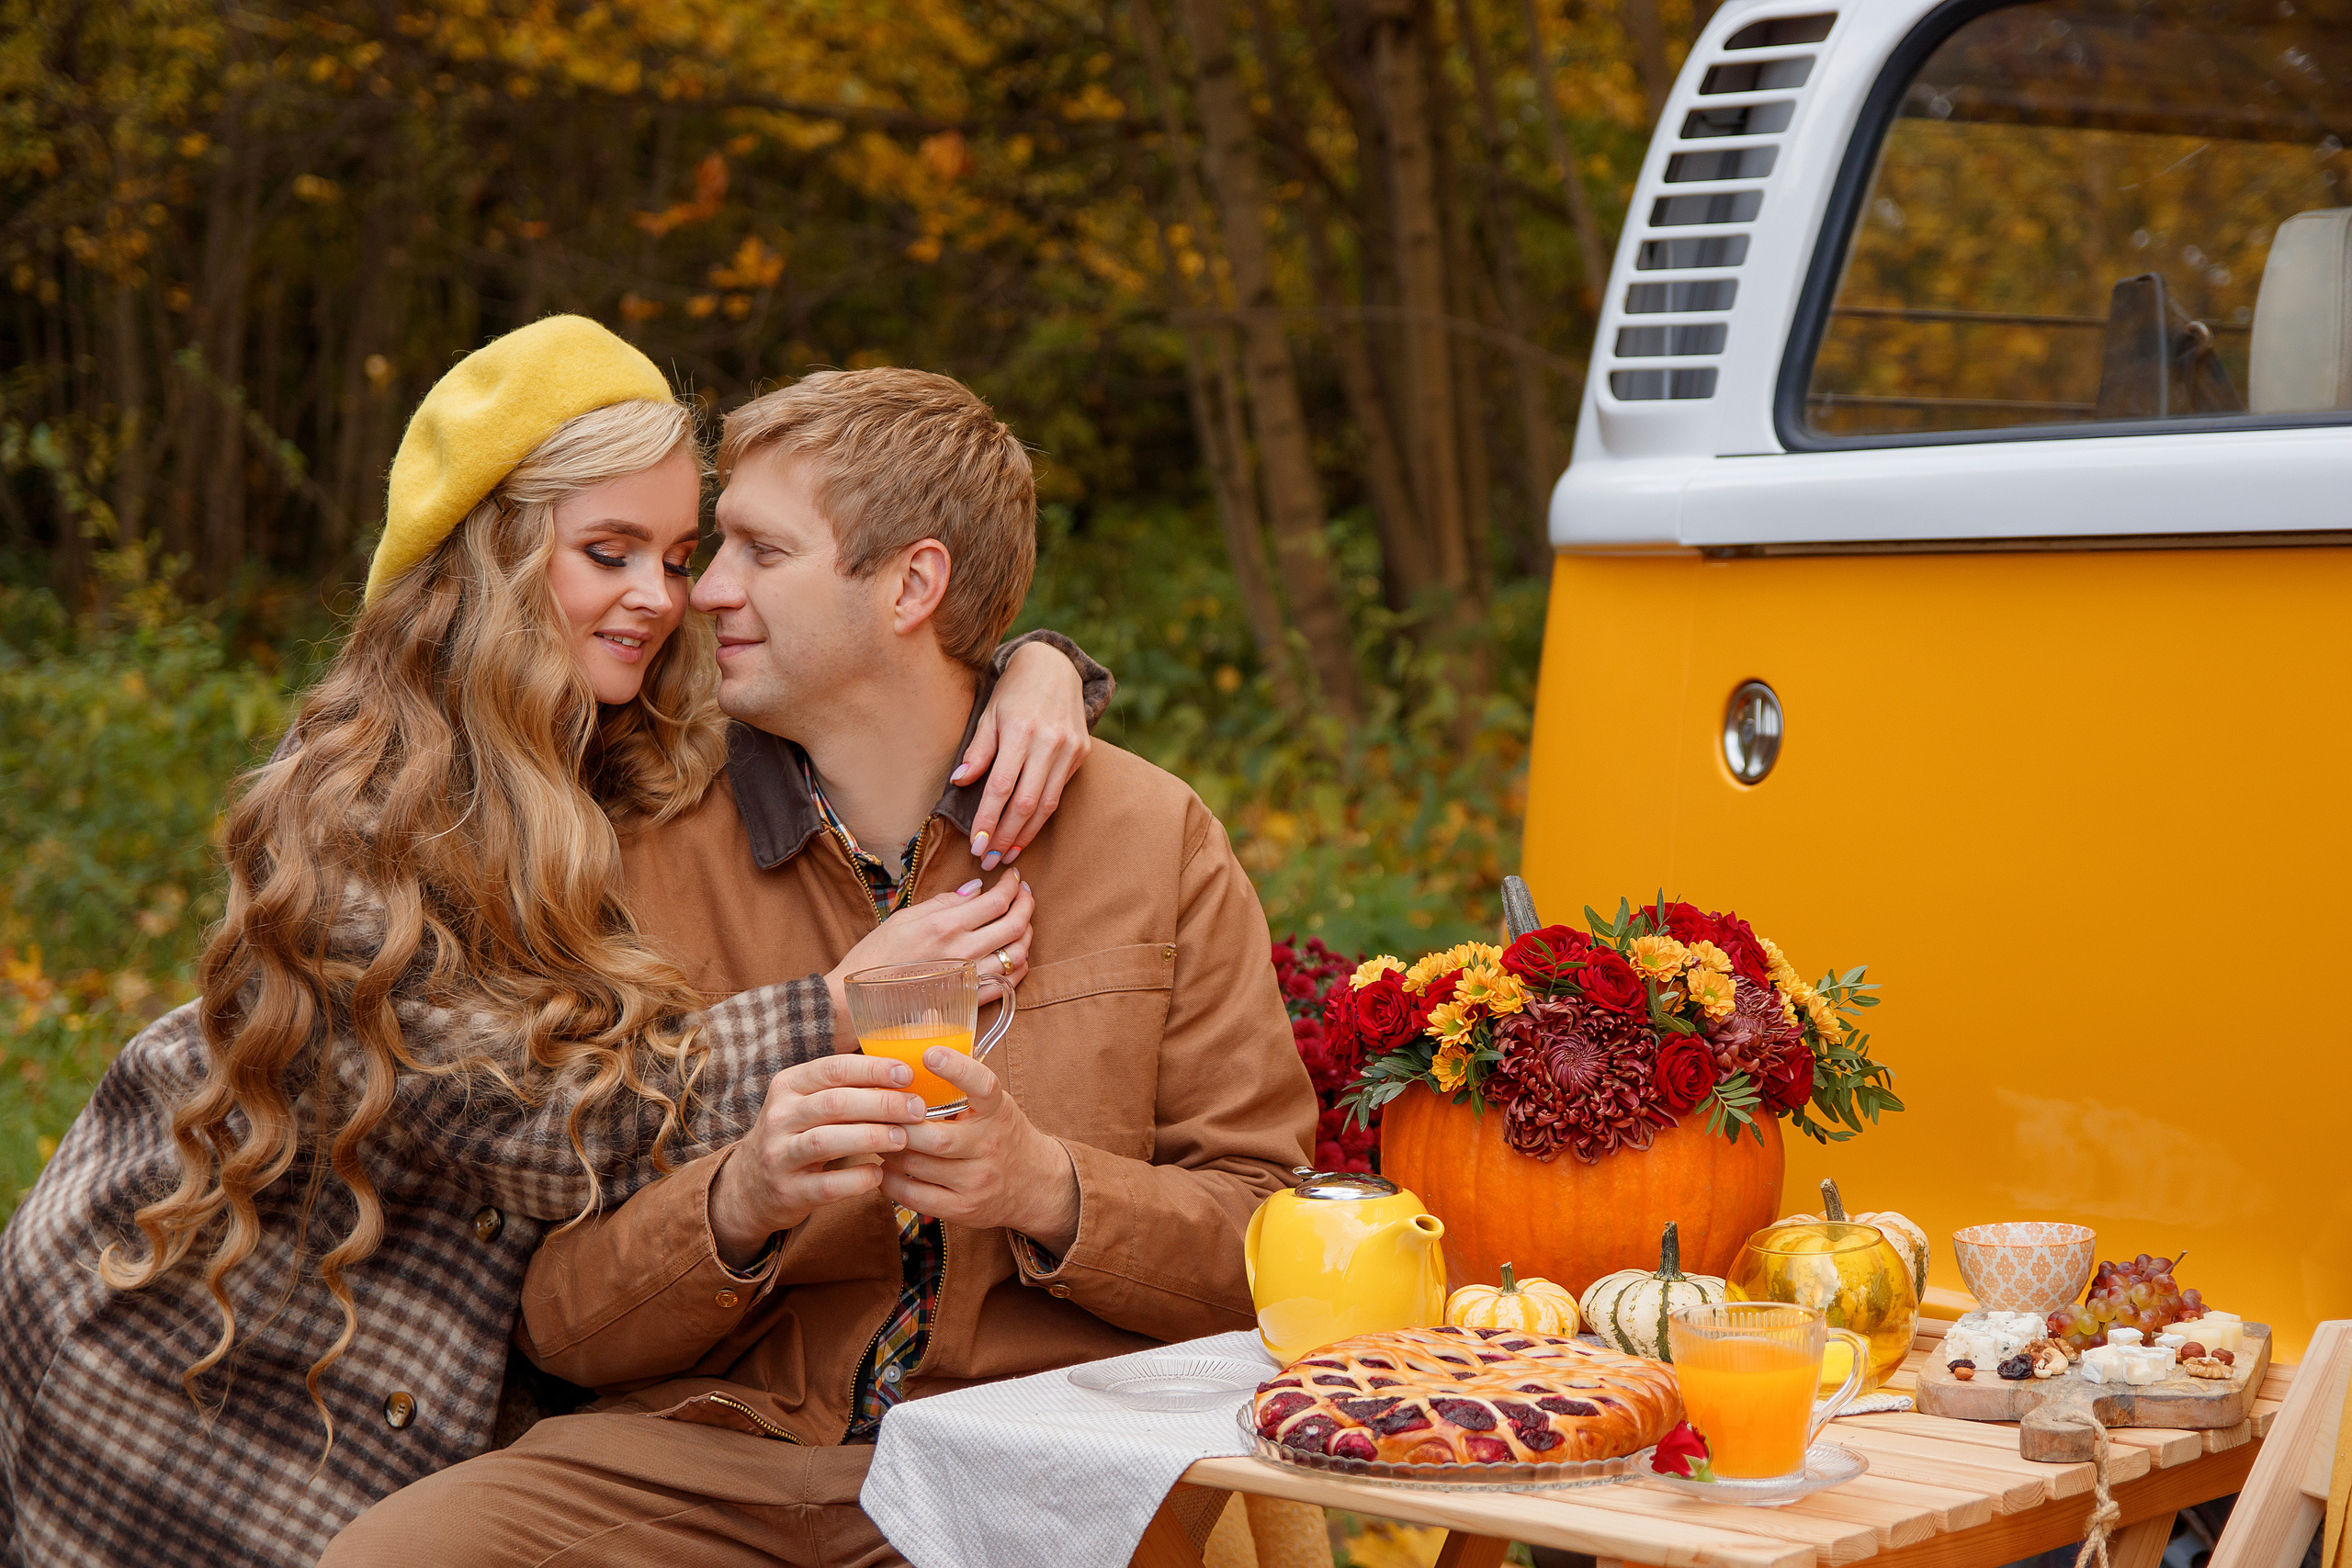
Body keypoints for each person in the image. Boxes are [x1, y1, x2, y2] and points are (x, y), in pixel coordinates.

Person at [0, 319, 1114, 1568]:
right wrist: (832, 1014)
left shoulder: (623, 737)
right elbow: (531, 1124)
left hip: (407, 1384)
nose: (667, 594)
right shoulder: (357, 809)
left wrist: (1029, 669)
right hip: (200, 1348)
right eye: (609, 551)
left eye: (679, 553)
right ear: (494, 558)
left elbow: (862, 670)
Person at [322, 367, 1319, 1567]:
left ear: (913, 584)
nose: (705, 592)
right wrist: (737, 1203)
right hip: (721, 1460)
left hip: (1039, 1457)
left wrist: (1045, 1187)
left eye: (757, 550)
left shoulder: (1153, 841)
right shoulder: (635, 850)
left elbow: (1271, 1246)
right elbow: (557, 1317)